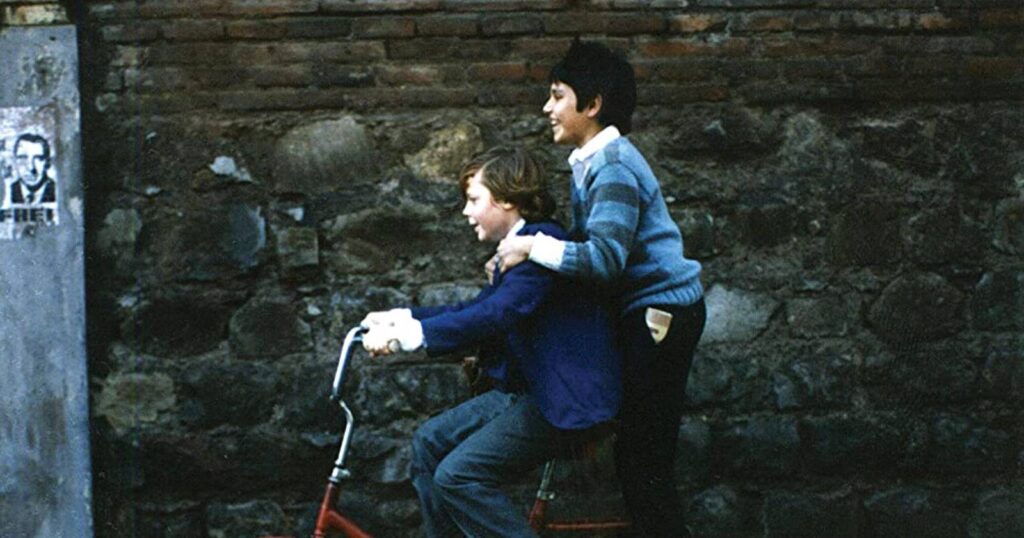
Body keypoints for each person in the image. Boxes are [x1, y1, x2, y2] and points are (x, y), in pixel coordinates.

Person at [496, 40, 707, 538]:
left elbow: (604, 259)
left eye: (557, 96)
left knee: (643, 462)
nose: (547, 108)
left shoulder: (613, 165)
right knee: (638, 461)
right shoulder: (593, 162)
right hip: (650, 314)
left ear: (592, 105)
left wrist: (530, 247)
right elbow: (588, 248)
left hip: (661, 316)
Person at [361, 145, 621, 538]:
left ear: (506, 200)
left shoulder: (540, 245)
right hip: (527, 392)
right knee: (428, 442)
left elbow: (498, 314)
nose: (466, 212)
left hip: (560, 399)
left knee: (458, 476)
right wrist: (402, 318)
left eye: (473, 199)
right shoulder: (518, 247)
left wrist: (411, 337)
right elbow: (478, 307)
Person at [9, 133, 57, 206]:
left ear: (48, 163)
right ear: (14, 162)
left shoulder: (59, 191)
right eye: (23, 158)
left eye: (38, 158)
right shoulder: (7, 193)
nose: (31, 167)